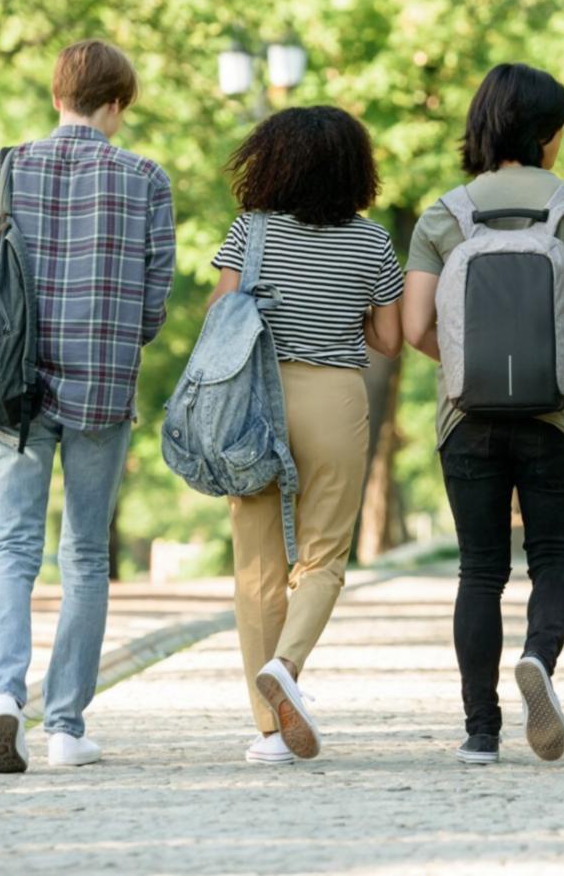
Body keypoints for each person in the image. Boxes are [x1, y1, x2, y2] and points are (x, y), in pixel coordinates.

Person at [0, 39, 176, 773]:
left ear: (57, 96)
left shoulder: (1, 167)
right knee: (84, 555)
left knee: (13, 550)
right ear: (115, 104)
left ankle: (0, 701)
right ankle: (66, 728)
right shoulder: (146, 178)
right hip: (100, 388)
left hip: (8, 389)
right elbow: (153, 307)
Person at [402, 63, 564, 765]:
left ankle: (479, 731)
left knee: (479, 570)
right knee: (555, 558)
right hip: (555, 420)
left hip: (465, 419)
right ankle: (538, 658)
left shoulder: (444, 213)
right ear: (548, 135)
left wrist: (466, 370)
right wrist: (560, 381)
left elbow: (414, 327)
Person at [208, 106, 403, 765]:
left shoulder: (250, 231)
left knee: (257, 564)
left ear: (273, 160)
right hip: (333, 397)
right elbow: (388, 339)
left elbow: (220, 314)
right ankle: (286, 666)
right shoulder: (372, 242)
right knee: (321, 557)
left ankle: (270, 732)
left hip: (256, 399)